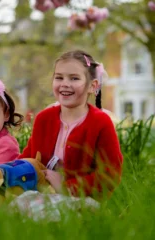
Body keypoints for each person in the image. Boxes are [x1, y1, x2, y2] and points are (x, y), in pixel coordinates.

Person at [19, 50, 123, 198]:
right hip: (41, 193)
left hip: (82, 199)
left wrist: (65, 186)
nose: (65, 84)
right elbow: (28, 157)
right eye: (59, 77)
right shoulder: (44, 119)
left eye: (74, 78)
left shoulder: (101, 123)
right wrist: (7, 172)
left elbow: (109, 175)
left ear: (92, 86)